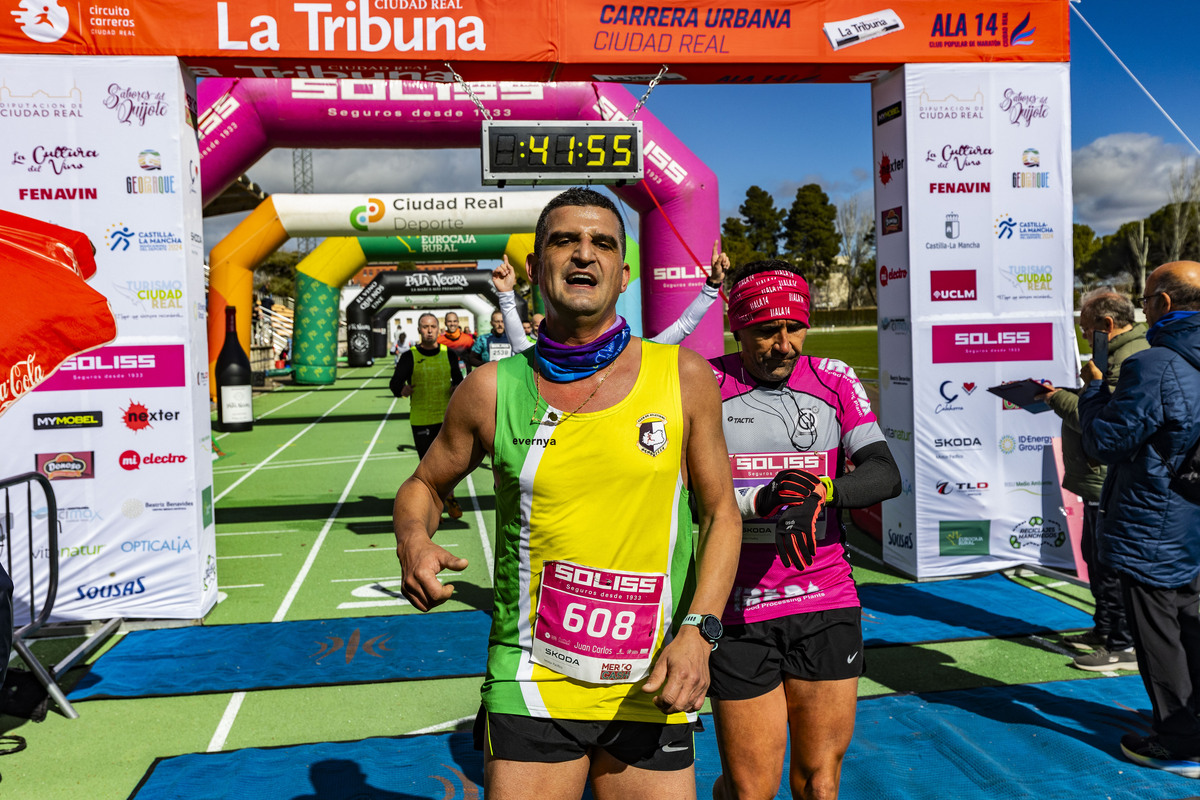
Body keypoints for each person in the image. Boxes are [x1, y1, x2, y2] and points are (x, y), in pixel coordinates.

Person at [391, 187, 742, 799]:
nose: (584, 255)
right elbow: (424, 484)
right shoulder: (489, 390)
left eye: (602, 243)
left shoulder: (683, 378)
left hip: (651, 676)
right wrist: (413, 538)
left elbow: (720, 516)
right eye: (565, 241)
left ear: (623, 272)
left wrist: (700, 633)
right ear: (534, 268)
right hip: (529, 675)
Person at [706, 257, 901, 800]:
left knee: (819, 784)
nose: (785, 344)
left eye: (795, 327)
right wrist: (760, 501)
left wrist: (825, 491)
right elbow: (682, 495)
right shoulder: (704, 382)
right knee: (751, 790)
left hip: (825, 600)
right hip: (735, 607)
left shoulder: (834, 379)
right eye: (768, 330)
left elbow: (885, 473)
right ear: (737, 327)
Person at [1079, 261, 1200, 776]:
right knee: (1191, 626)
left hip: (1153, 518)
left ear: (1164, 304)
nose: (1143, 309)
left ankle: (1177, 740)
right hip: (1190, 516)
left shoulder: (1154, 365)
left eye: (1147, 299)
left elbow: (1103, 441)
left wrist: (1091, 391)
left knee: (1159, 634)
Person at [1036, 289, 1147, 671]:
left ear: (1107, 324)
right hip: (1098, 477)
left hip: (1108, 478)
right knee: (1096, 560)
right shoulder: (1116, 354)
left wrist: (1058, 399)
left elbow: (1103, 421)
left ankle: (1122, 644)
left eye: (1086, 329)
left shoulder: (1129, 357)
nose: (1085, 336)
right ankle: (1105, 630)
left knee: (1110, 564)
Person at [492, 241, 726, 351]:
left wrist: (713, 284)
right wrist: (505, 293)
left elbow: (684, 327)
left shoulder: (636, 354)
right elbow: (520, 344)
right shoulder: (542, 358)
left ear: (623, 279)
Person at [390, 312, 465, 519]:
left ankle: (447, 496)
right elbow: (394, 383)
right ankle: (436, 506)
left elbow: (458, 379)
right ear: (419, 330)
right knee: (428, 467)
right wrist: (402, 390)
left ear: (438, 329)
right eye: (425, 327)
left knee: (448, 464)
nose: (429, 330)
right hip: (421, 420)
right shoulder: (409, 356)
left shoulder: (448, 353)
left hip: (446, 419)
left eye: (433, 326)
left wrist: (456, 387)